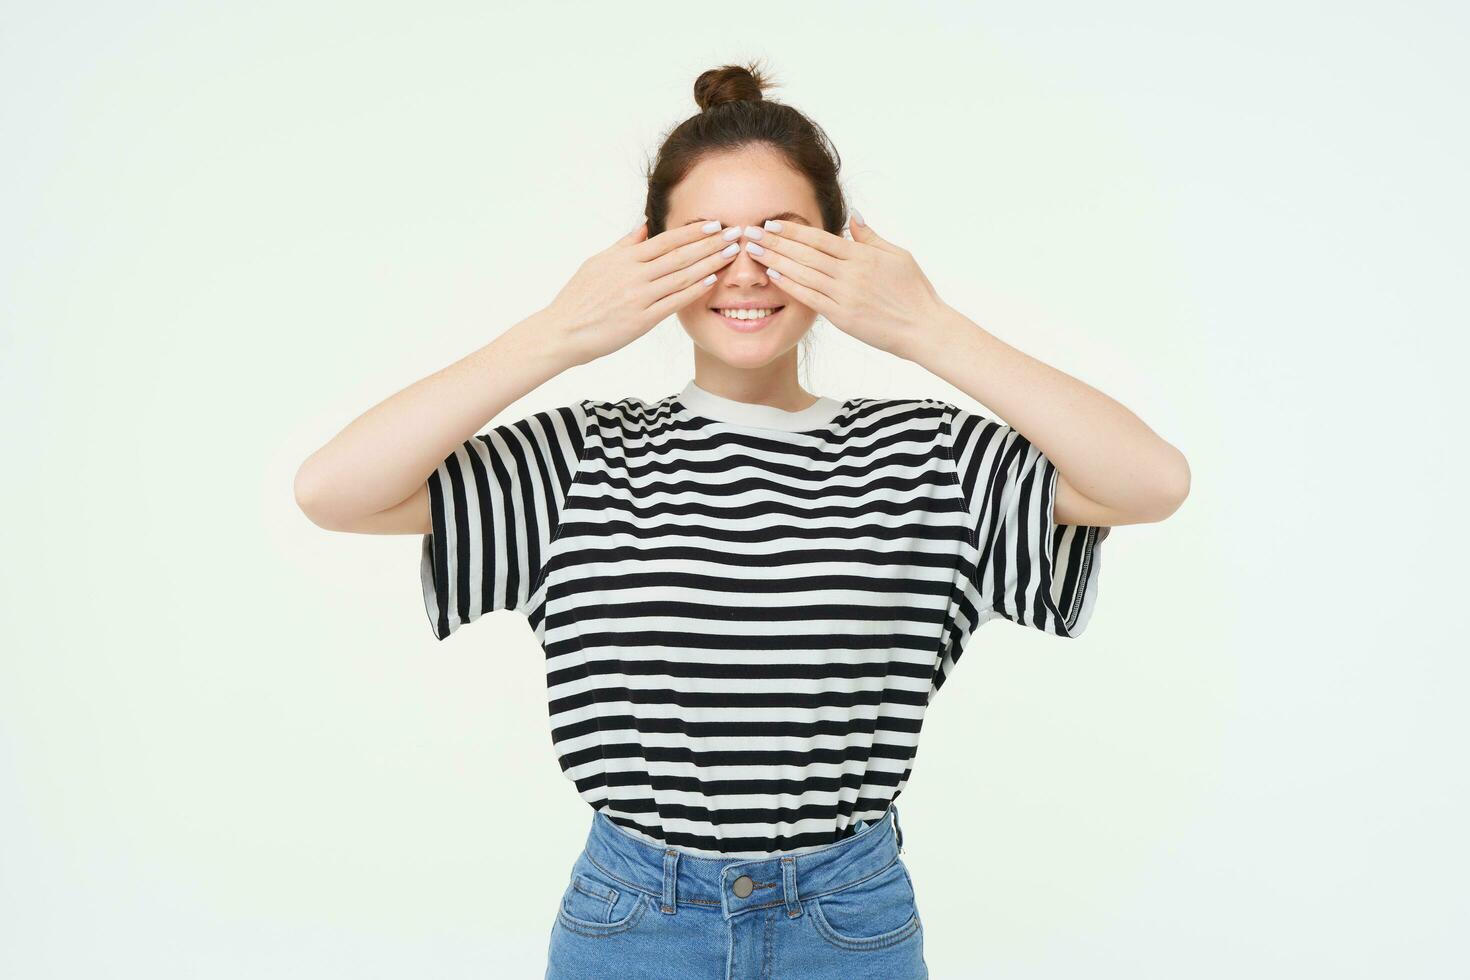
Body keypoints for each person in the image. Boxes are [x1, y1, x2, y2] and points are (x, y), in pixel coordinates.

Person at [295, 59, 1189, 980]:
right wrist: (561, 329)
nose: (747, 269)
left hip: (849, 919)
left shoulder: (931, 458)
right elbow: (335, 491)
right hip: (634, 921)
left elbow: (1149, 482)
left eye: (784, 235)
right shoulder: (577, 458)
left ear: (844, 252)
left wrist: (925, 327)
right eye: (707, 239)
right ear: (648, 257)